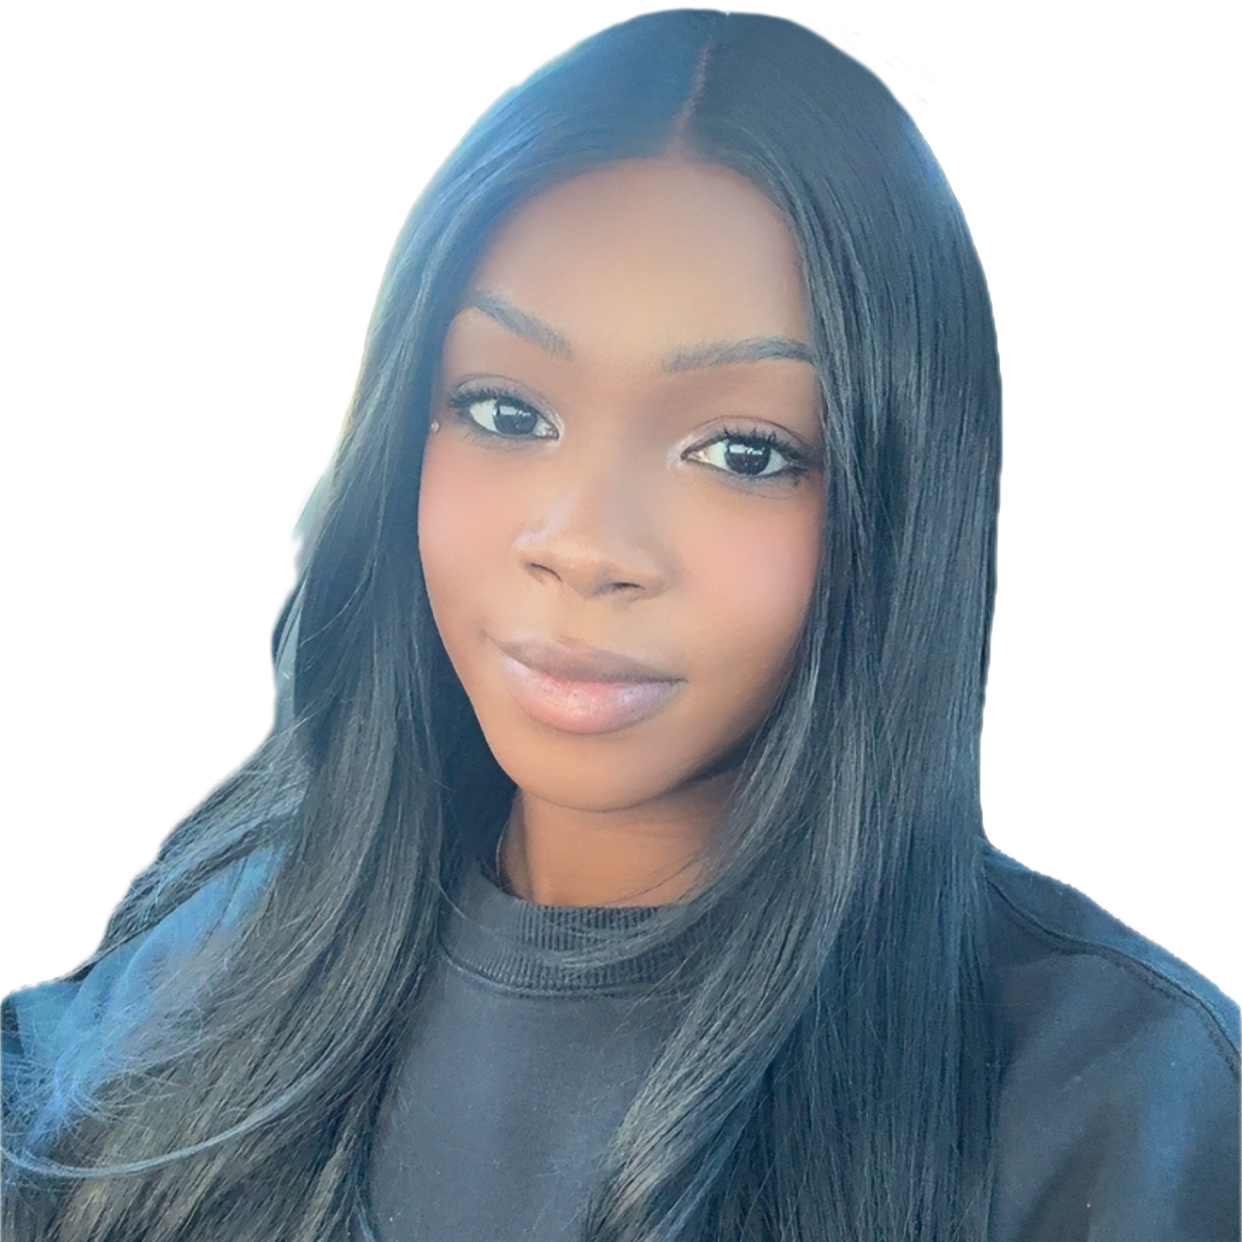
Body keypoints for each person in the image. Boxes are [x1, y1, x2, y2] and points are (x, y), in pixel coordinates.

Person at [2, 10, 1238, 1241]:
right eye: (502, 410)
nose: (584, 543)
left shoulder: (1129, 1104)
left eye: (743, 450)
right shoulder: (196, 982)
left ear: (900, 505)